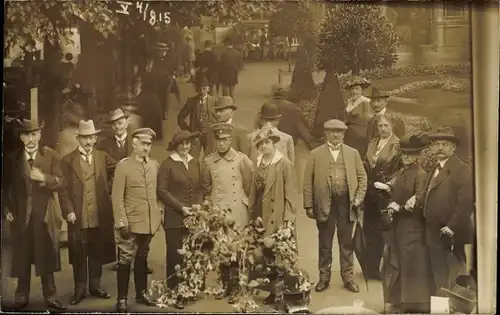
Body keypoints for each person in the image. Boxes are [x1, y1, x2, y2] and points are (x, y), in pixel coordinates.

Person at [2, 119, 67, 311]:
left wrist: (44, 178)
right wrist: (6, 209)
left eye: (34, 134)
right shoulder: (12, 158)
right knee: (22, 256)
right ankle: (21, 296)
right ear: (21, 137)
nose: (30, 139)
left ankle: (51, 297)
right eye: (26, 135)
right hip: (20, 216)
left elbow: (62, 181)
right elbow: (5, 187)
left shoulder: (51, 156)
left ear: (40, 135)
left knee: (45, 255)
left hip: (44, 215)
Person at [303, 119, 367, 294]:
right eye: (332, 132)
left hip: (346, 204)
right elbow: (308, 182)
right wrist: (308, 204)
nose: (336, 135)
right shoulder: (316, 154)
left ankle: (348, 278)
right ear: (326, 134)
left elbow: (363, 178)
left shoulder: (352, 153)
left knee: (346, 243)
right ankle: (324, 277)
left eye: (339, 132)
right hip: (324, 205)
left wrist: (358, 199)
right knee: (325, 243)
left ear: (343, 134)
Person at [58, 120, 116, 305]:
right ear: (78, 139)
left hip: (99, 214)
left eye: (91, 137)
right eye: (85, 137)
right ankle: (80, 289)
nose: (88, 141)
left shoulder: (103, 156)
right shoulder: (67, 160)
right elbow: (62, 189)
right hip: (78, 215)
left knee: (97, 250)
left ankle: (95, 286)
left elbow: (118, 172)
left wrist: (109, 191)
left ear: (95, 138)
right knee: (79, 253)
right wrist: (68, 210)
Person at [378, 133, 433, 313]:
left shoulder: (421, 174)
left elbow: (418, 202)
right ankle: (399, 300)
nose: (406, 157)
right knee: (398, 262)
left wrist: (398, 208)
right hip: (399, 226)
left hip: (412, 227)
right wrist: (388, 191)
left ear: (418, 154)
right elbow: (395, 189)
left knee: (411, 265)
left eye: (410, 154)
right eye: (403, 154)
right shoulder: (402, 171)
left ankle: (413, 304)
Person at [112, 128, 163, 312]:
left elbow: (157, 194)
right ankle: (122, 299)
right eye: (143, 143)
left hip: (148, 222)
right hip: (130, 223)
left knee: (142, 257)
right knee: (125, 260)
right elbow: (117, 196)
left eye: (149, 144)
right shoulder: (123, 166)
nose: (146, 148)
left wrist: (159, 214)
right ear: (134, 144)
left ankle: (142, 294)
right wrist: (121, 221)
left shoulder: (154, 165)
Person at [201, 123, 253, 302]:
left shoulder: (241, 160)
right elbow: (206, 188)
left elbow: (248, 185)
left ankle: (237, 286)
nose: (222, 143)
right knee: (221, 249)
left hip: (237, 210)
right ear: (215, 141)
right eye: (219, 140)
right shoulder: (208, 162)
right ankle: (225, 284)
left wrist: (244, 204)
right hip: (218, 210)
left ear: (230, 140)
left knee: (238, 250)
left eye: (225, 140)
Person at [248, 127, 298, 304]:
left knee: (279, 255)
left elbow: (291, 193)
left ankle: (282, 292)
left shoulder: (283, 163)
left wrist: (288, 221)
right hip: (261, 214)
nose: (264, 146)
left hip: (277, 216)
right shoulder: (260, 162)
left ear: (274, 143)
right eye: (260, 144)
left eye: (267, 143)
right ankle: (272, 290)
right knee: (265, 255)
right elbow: (255, 191)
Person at [423, 127, 474, 296]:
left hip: (451, 233)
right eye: (436, 144)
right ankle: (442, 305)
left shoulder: (461, 169)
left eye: (444, 144)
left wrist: (452, 227)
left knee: (454, 273)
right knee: (439, 273)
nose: (440, 148)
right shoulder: (435, 168)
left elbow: (465, 202)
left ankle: (456, 305)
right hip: (434, 231)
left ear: (453, 148)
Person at [157, 130, 203, 310]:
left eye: (188, 143)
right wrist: (181, 207)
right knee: (176, 255)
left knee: (190, 254)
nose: (185, 147)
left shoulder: (194, 162)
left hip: (193, 217)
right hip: (175, 217)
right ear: (175, 145)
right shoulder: (168, 164)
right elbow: (162, 191)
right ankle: (175, 292)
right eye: (182, 144)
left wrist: (198, 205)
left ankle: (188, 289)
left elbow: (199, 188)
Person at [363, 114, 403, 280]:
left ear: (392, 126)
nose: (383, 129)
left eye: (386, 125)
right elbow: (366, 165)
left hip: (386, 193)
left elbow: (402, 170)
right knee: (369, 229)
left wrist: (389, 185)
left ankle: (385, 268)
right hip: (370, 191)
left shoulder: (398, 145)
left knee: (384, 231)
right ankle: (371, 267)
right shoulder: (372, 143)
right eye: (380, 126)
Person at [264, 85, 320, 151]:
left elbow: (258, 126)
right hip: (287, 144)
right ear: (285, 95)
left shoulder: (266, 106)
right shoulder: (293, 108)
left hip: (268, 143)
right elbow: (303, 130)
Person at [177, 76, 217, 159]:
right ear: (197, 89)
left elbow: (220, 117)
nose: (202, 91)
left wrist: (216, 129)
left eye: (204, 88)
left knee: (210, 158)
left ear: (208, 89)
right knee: (192, 158)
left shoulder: (214, 101)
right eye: (200, 89)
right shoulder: (192, 102)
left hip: (209, 134)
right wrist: (188, 129)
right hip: (195, 134)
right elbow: (180, 117)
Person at [343, 76, 374, 156]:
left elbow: (369, 119)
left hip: (360, 134)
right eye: (352, 89)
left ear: (361, 90)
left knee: (358, 155)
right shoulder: (349, 102)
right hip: (348, 134)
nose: (354, 91)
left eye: (357, 89)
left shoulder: (365, 102)